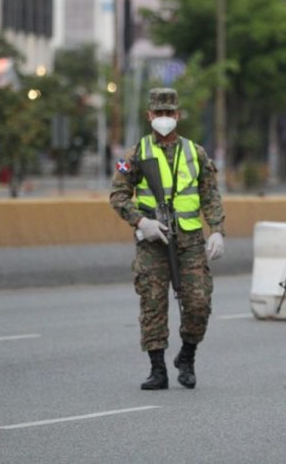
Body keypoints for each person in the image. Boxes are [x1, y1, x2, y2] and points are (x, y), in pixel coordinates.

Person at [110, 88, 226, 390]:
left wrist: (216, 229)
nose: (164, 118)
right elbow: (118, 195)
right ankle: (157, 368)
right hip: (153, 241)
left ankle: (187, 356)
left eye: (169, 113)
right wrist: (141, 221)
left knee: (199, 303)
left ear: (178, 115)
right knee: (152, 302)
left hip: (190, 241)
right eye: (159, 113)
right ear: (149, 116)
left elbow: (210, 195)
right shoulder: (136, 154)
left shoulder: (195, 152)